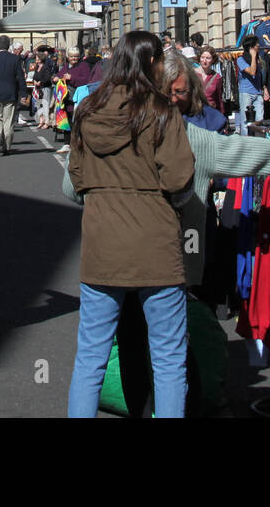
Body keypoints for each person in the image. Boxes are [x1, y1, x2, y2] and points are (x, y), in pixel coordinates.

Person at [65, 49, 270, 416]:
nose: (179, 98)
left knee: (102, 353)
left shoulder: (95, 122)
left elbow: (70, 187)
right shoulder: (183, 134)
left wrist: (106, 203)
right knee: (168, 357)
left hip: (106, 254)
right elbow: (240, 153)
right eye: (176, 91)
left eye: (184, 91)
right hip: (165, 257)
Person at [66, 31, 197, 418]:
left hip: (102, 243)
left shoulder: (87, 110)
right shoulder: (161, 110)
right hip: (155, 244)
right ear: (150, 62)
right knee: (169, 358)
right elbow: (177, 178)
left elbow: (77, 178)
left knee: (90, 356)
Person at [0, 35, 25, 156]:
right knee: (8, 120)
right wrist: (23, 93)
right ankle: (7, 145)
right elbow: (20, 77)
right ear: (9, 46)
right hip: (10, 93)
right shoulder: (15, 59)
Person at [235, 35, 269, 135]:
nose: (258, 45)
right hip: (246, 93)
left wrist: (264, 88)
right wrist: (253, 56)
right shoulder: (240, 60)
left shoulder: (259, 59)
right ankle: (246, 143)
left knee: (259, 120)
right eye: (256, 44)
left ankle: (258, 142)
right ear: (251, 47)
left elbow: (260, 75)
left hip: (258, 92)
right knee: (246, 121)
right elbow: (252, 72)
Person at [196, 46, 224, 115]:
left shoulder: (217, 78)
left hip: (210, 114)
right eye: (202, 57)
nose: (204, 61)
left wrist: (222, 116)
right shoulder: (192, 74)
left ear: (213, 60)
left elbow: (219, 100)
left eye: (208, 58)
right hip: (196, 114)